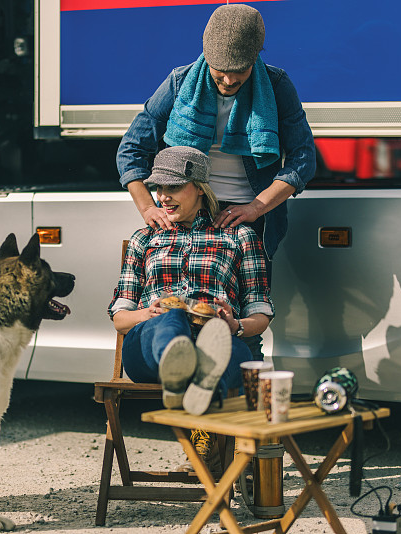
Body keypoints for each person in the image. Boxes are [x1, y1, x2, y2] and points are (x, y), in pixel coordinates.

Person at [116, 4, 315, 359]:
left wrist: (257, 207)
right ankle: (182, 368)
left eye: (237, 73)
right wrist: (148, 206)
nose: (227, 81)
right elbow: (132, 148)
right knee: (178, 304)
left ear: (256, 58)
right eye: (219, 72)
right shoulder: (179, 82)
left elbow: (303, 158)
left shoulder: (277, 84)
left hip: (248, 215)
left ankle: (241, 379)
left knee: (241, 314)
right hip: (187, 205)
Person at [108, 146, 274, 422]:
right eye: (158, 187)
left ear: (199, 187)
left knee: (232, 351)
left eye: (173, 186)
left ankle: (196, 408)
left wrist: (236, 325)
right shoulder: (144, 238)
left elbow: (261, 314)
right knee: (172, 316)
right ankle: (178, 366)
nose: (162, 197)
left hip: (215, 336)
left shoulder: (238, 236)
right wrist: (150, 314)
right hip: (151, 341)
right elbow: (121, 319)